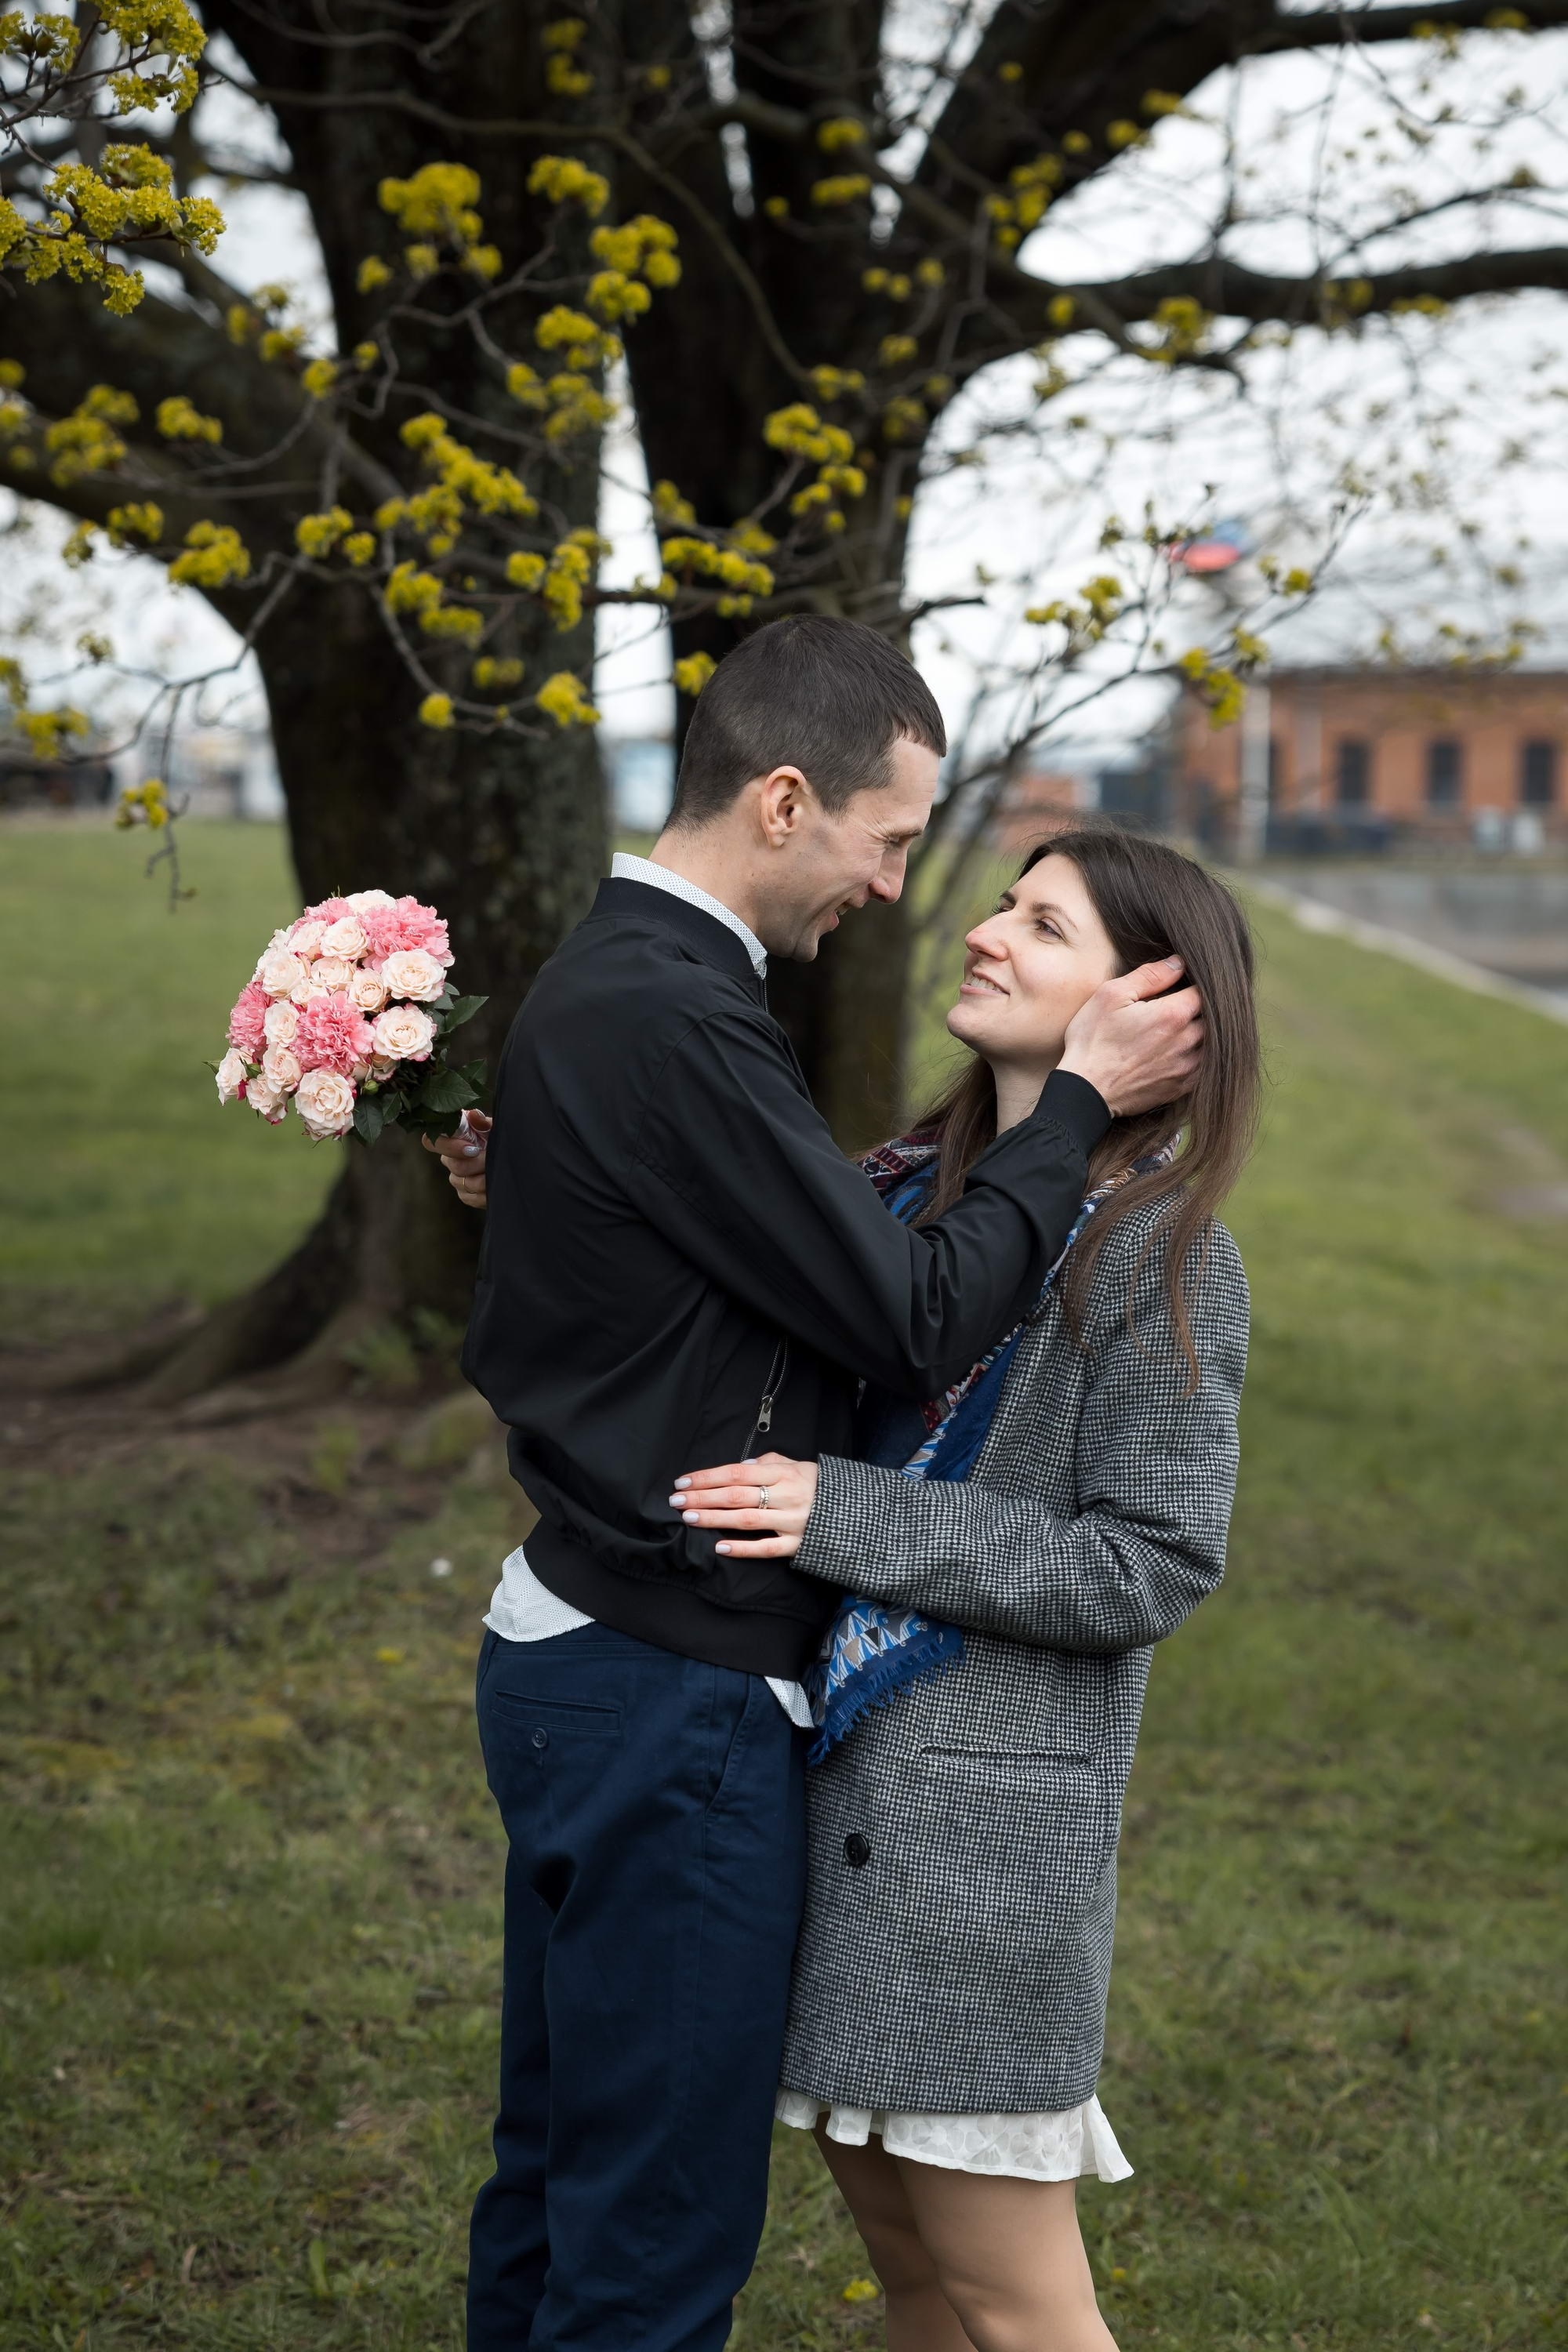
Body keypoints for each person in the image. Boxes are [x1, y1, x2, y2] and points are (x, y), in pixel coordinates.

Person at [427, 616, 1203, 2352]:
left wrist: (535, 1170)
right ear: (785, 802)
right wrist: (1073, 1106)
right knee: (644, 2229)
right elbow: (908, 1309)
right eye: (896, 839)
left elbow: (743, 1254)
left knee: (567, 2177)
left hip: (619, 1661)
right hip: (667, 1683)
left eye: (1032, 917)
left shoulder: (638, 989)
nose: (908, 890)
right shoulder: (681, 1013)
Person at [670, 826, 1257, 2352]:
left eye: (1043, 925)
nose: (988, 933)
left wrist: (845, 1514)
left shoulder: (1161, 1252)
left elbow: (1150, 1562)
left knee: (1014, 2301)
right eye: (1002, 906)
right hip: (831, 1805)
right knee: (917, 2279)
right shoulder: (898, 1198)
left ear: (1151, 1006)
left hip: (975, 1863)